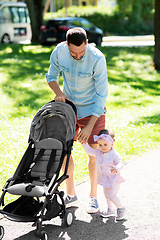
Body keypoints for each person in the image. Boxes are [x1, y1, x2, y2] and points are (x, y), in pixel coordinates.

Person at [46, 27, 108, 213]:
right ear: (67, 45)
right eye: (74, 52)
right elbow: (51, 76)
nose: (78, 56)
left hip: (92, 109)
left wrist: (89, 127)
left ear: (87, 43)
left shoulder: (97, 58)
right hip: (69, 107)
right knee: (64, 151)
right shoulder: (59, 51)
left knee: (94, 154)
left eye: (81, 52)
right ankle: (71, 193)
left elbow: (102, 94)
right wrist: (59, 93)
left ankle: (93, 197)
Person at [82, 128, 126, 220]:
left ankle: (121, 208)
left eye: (105, 144)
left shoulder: (114, 154)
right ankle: (110, 210)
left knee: (111, 195)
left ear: (112, 143)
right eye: (100, 144)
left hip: (114, 179)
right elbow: (89, 151)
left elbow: (120, 163)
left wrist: (117, 168)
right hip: (105, 178)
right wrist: (84, 143)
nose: (102, 147)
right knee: (106, 195)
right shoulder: (98, 152)